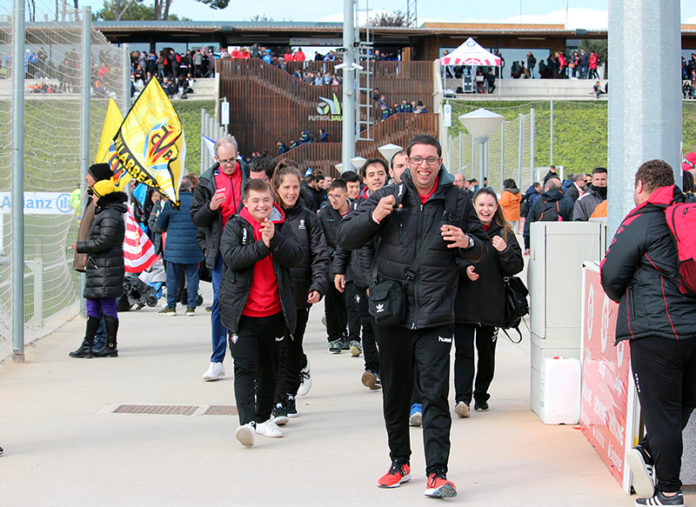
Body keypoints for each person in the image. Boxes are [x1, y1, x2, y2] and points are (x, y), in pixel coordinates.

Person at [338, 134, 487, 499]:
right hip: (392, 313)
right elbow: (346, 236)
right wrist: (375, 216)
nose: (424, 166)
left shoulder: (457, 199)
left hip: (436, 313)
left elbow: (481, 248)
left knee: (435, 395)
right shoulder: (388, 196)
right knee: (395, 393)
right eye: (417, 159)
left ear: (440, 161)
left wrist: (467, 243)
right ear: (405, 161)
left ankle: (438, 473)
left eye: (431, 159)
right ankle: (399, 463)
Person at [600, 159, 696, 507]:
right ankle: (648, 450)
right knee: (684, 403)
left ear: (640, 186)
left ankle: (669, 492)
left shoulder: (641, 220)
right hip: (694, 330)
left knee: (662, 415)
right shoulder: (691, 212)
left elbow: (610, 274)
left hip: (657, 333)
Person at [218, 179, 302, 447]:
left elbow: (295, 257)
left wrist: (274, 239)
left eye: (266, 200)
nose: (262, 205)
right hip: (243, 315)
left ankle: (264, 418)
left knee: (270, 369)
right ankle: (247, 424)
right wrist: (262, 246)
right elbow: (233, 259)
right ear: (246, 202)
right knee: (245, 368)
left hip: (275, 313)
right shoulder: (234, 226)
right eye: (255, 201)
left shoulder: (280, 225)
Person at [453, 188, 523, 418]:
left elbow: (515, 267)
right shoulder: (463, 231)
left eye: (490, 205)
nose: (485, 209)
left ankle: (481, 395)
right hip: (464, 302)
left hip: (492, 304)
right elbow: (450, 260)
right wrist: (465, 269)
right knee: (464, 352)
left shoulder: (505, 234)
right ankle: (462, 398)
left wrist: (504, 251)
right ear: (474, 207)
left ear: (496, 208)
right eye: (481, 205)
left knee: (486, 353)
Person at [271, 165, 330, 422]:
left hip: (299, 295)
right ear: (277, 188)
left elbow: (320, 255)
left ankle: (289, 393)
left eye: (295, 187)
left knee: (294, 347)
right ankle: (277, 398)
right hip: (272, 296)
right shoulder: (268, 216)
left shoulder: (310, 218)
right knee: (277, 348)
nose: (292, 192)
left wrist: (318, 285)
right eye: (286, 187)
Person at [191, 135, 249, 381]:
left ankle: (245, 356)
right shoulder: (206, 182)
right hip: (220, 251)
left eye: (232, 159)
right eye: (224, 161)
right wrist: (211, 207)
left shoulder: (248, 173)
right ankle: (217, 360)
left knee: (248, 301)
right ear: (216, 159)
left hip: (247, 247)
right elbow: (196, 218)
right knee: (220, 303)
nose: (229, 164)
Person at [333, 159, 387, 392]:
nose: (376, 178)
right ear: (364, 179)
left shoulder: (397, 203)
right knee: (367, 323)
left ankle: (387, 369)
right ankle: (372, 368)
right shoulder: (359, 207)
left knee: (386, 326)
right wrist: (339, 269)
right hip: (362, 277)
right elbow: (346, 243)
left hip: (389, 278)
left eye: (381, 173)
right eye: (371, 174)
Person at [69, 179, 127, 358]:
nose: (92, 196)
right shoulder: (107, 213)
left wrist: (82, 246)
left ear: (102, 195)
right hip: (100, 267)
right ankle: (88, 344)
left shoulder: (109, 214)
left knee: (107, 306)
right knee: (92, 304)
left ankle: (110, 345)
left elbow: (105, 241)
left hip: (106, 268)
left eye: (95, 193)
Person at [72, 163, 112, 353]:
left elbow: (103, 238)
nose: (86, 178)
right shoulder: (94, 200)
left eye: (89, 175)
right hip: (95, 261)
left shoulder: (103, 207)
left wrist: (83, 248)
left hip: (99, 262)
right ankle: (98, 340)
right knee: (96, 303)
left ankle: (102, 341)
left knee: (102, 304)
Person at [157, 177, 204, 316]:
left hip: (174, 250)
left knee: (172, 278)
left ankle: (171, 306)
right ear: (191, 189)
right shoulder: (197, 203)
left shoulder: (171, 203)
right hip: (193, 248)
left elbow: (160, 224)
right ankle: (191, 307)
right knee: (192, 278)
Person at [318, 179, 350, 358]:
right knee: (332, 302)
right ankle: (334, 336)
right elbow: (320, 241)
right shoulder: (324, 213)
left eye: (338, 196)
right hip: (331, 263)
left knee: (347, 301)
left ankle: (345, 333)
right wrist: (336, 254)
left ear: (346, 195)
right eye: (331, 196)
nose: (334, 200)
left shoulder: (353, 212)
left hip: (350, 264)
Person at [523, 177, 573, 254]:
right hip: (562, 241)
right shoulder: (567, 201)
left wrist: (528, 244)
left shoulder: (538, 202)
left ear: (547, 188)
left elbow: (529, 222)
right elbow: (573, 222)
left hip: (540, 241)